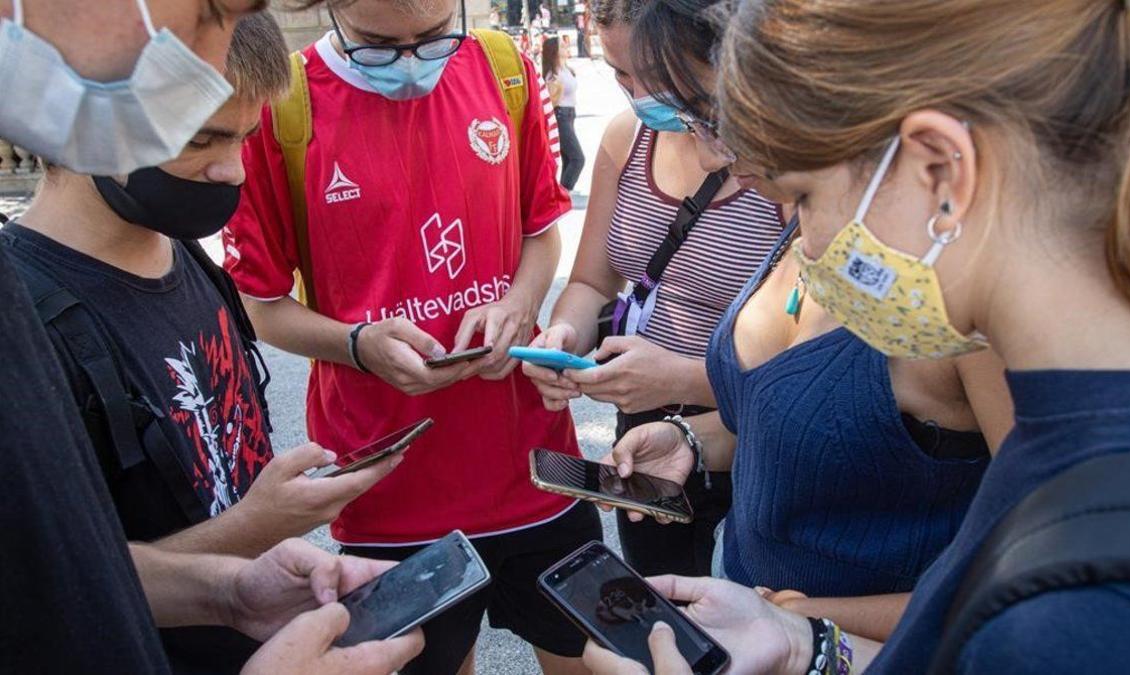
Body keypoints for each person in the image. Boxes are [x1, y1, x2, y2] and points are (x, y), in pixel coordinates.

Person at [592, 0, 1130, 670]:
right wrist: (804, 645)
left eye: (805, 199)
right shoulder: (1082, 435)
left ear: (940, 169)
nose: (806, 239)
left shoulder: (1106, 602)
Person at [0, 1, 423, 672]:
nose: (234, 170)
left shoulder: (185, 254)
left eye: (243, 139)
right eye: (199, 139)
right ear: (99, 116)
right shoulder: (25, 318)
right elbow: (50, 577)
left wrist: (236, 583)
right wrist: (254, 527)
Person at [222, 0, 602, 672]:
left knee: (590, 656)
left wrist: (518, 302)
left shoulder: (503, 68)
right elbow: (262, 304)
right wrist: (359, 343)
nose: (409, 63)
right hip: (391, 492)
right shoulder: (283, 109)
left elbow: (542, 228)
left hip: (537, 470)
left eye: (431, 38)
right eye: (375, 43)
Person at [523, 0, 783, 581]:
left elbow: (819, 354)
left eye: (653, 73)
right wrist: (564, 332)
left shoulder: (775, 163)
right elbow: (594, 280)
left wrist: (688, 379)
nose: (635, 92)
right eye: (617, 72)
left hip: (753, 425)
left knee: (751, 614)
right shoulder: (626, 139)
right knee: (659, 603)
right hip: (641, 422)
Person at [544, 36, 586, 192]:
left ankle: (560, 191)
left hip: (570, 114)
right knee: (578, 159)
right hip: (560, 115)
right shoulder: (552, 75)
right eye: (562, 46)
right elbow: (548, 100)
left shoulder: (566, 69)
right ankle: (563, 191)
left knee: (568, 158)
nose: (566, 48)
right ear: (554, 51)